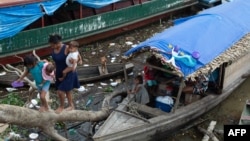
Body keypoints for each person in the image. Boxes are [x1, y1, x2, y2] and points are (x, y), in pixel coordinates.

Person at [48, 34, 81, 114]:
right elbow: (56, 61)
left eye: (52, 45)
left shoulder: (66, 48)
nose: (51, 46)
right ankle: (71, 106)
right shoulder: (53, 49)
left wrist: (78, 61)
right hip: (59, 71)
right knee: (67, 90)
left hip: (68, 72)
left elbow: (77, 54)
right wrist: (52, 67)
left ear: (57, 43)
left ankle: (61, 107)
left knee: (60, 91)